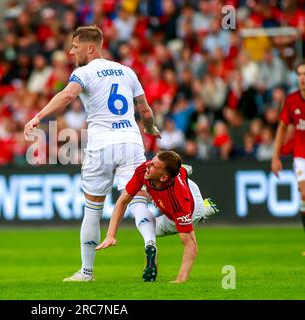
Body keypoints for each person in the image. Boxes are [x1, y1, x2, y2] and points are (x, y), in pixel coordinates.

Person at [24, 26, 161, 282]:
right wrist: (153, 129)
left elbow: (67, 96)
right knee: (138, 201)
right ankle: (150, 243)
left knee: (93, 209)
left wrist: (38, 116)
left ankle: (86, 272)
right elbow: (145, 112)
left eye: (75, 47)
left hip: (101, 145)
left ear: (90, 47)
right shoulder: (127, 71)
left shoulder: (84, 73)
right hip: (131, 142)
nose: (70, 51)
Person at [96, 151, 220, 283]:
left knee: (150, 229)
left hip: (193, 209)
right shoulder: (145, 170)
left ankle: (206, 210)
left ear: (163, 178)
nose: (148, 164)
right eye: (151, 160)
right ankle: (183, 169)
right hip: (187, 184)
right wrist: (110, 235)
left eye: (153, 165)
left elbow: (190, 244)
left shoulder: (178, 201)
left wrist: (180, 279)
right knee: (147, 224)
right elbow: (123, 201)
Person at [271, 60, 305, 234]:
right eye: (299, 74)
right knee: (304, 195)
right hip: (301, 154)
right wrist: (275, 157)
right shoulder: (291, 101)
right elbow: (282, 128)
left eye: (304, 74)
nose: (302, 78)